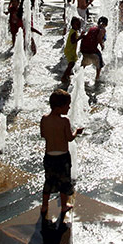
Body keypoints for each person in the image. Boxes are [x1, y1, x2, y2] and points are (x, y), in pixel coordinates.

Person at [40, 89, 84, 217]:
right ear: (59, 108)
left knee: (48, 181)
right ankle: (64, 206)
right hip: (62, 157)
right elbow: (69, 138)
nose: (69, 108)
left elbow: (43, 134)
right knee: (64, 182)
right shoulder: (65, 121)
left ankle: (44, 206)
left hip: (49, 156)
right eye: (67, 105)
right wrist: (76, 131)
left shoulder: (44, 118)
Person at [80, 16, 108, 82]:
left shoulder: (92, 27)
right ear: (106, 24)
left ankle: (78, 76)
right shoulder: (102, 29)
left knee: (83, 64)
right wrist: (102, 45)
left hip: (84, 49)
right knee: (100, 63)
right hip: (92, 50)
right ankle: (97, 78)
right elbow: (99, 37)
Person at [61, 17, 83, 82]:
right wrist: (80, 37)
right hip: (70, 50)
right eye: (77, 25)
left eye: (79, 24)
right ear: (73, 25)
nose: (79, 26)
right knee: (71, 64)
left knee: (71, 63)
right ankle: (64, 76)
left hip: (70, 49)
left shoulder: (73, 31)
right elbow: (73, 41)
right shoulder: (73, 32)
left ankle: (67, 75)